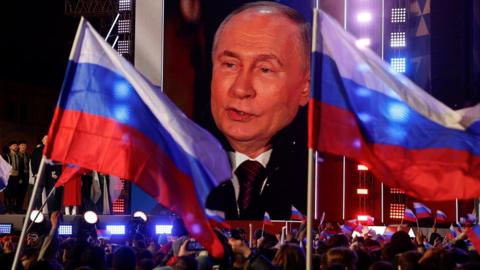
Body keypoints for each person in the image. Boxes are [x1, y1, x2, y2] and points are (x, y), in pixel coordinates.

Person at [205, 1, 310, 220]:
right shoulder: (176, 170)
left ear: (305, 86)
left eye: (265, 69)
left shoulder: (318, 181)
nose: (241, 89)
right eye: (230, 65)